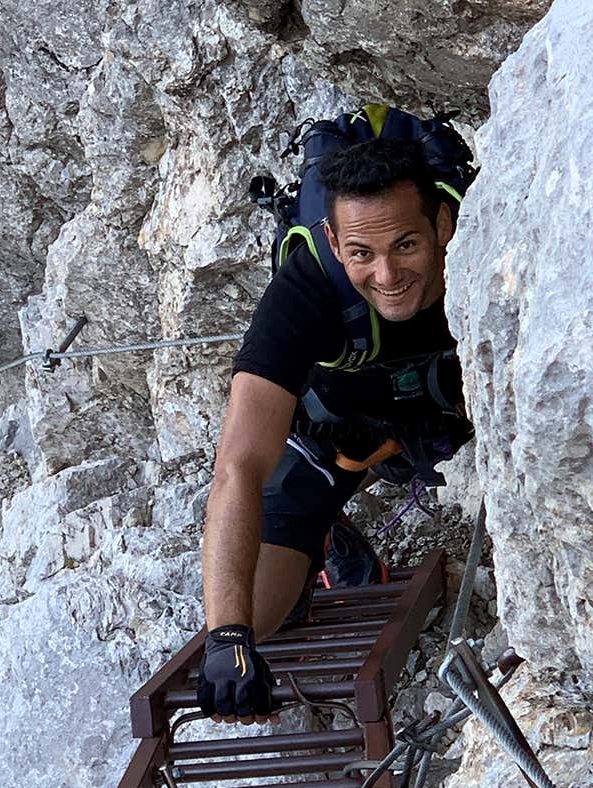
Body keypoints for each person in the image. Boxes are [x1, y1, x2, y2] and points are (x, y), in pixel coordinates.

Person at [197, 138, 474, 724]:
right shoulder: (305, 291)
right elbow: (238, 464)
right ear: (331, 242)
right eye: (361, 253)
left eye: (405, 244)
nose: (387, 273)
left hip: (456, 413)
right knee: (258, 613)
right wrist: (226, 636)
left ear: (443, 222)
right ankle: (326, 532)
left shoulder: (488, 241)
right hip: (345, 436)